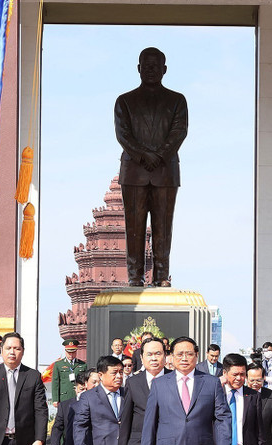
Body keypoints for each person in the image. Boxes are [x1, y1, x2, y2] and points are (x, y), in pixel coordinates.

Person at [115, 47, 188, 287]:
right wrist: (145, 155)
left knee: (163, 227)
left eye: (155, 66)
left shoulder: (177, 100)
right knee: (134, 228)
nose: (150, 70)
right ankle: (134, 276)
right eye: (146, 66)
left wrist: (160, 155)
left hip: (165, 171)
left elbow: (179, 132)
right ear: (138, 69)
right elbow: (123, 135)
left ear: (164, 70)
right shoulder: (124, 101)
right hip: (134, 172)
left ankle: (161, 276)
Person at [50, 339, 86, 408]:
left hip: (79, 396)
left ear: (76, 352)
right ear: (65, 351)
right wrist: (55, 399)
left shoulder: (83, 365)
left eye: (73, 352)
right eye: (69, 352)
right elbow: (55, 382)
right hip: (64, 397)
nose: (71, 355)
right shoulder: (58, 364)